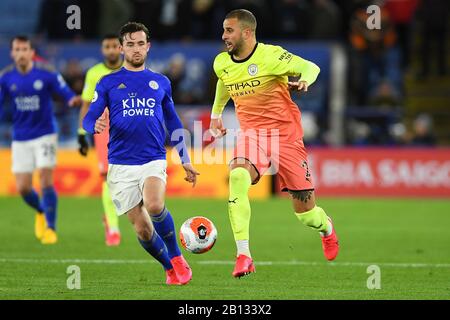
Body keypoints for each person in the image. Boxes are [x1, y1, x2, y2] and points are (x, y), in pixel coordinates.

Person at [209, 9, 339, 278]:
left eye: (229, 30)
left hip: (286, 137)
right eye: (223, 30)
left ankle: (326, 227)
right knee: (237, 177)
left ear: (247, 32)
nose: (224, 36)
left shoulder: (271, 56)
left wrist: (304, 80)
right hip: (252, 135)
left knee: (305, 213)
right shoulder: (222, 62)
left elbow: (310, 67)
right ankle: (244, 255)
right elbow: (225, 81)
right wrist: (216, 115)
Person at [82, 22, 198, 285]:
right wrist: (94, 125)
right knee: (143, 230)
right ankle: (169, 267)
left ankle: (178, 257)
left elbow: (174, 123)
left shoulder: (161, 82)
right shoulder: (108, 82)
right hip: (120, 164)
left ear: (148, 46)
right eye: (130, 44)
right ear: (122, 48)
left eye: (140, 43)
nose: (136, 49)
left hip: (153, 158)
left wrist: (185, 159)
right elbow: (89, 117)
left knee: (155, 204)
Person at [0, 35, 81, 244]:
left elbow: (65, 91)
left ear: (30, 52)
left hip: (45, 134)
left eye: (24, 49)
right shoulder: (6, 77)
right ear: (12, 53)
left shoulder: (46, 72)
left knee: (45, 178)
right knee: (24, 188)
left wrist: (72, 99)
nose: (20, 53)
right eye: (16, 50)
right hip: (21, 138)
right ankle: (41, 210)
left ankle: (51, 228)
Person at [78, 34, 123, 246]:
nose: (111, 50)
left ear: (121, 48)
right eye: (107, 46)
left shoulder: (131, 70)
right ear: (102, 49)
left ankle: (116, 217)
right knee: (107, 177)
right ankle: (113, 228)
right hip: (103, 129)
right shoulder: (94, 73)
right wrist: (81, 133)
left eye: (115, 46)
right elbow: (86, 105)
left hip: (128, 128)